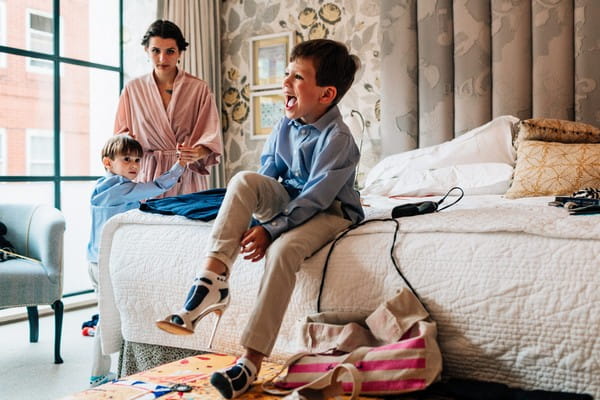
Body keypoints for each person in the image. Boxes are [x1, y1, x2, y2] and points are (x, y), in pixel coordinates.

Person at [156, 39, 364, 399]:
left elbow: (316, 197)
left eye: (297, 77)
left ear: (327, 94)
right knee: (242, 179)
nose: (285, 82)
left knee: (284, 251)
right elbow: (268, 176)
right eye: (287, 72)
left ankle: (250, 362)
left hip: (330, 210)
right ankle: (211, 282)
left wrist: (271, 229)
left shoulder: (339, 138)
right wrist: (254, 216)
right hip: (293, 199)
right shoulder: (287, 124)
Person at [86, 134, 193, 387]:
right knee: (106, 318)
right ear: (108, 162)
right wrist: (179, 166)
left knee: (105, 313)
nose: (134, 165)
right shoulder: (122, 188)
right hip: (106, 264)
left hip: (91, 260)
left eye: (137, 160)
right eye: (126, 159)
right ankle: (97, 374)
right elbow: (157, 187)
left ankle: (105, 369)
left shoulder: (100, 187)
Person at [114, 19, 223, 198]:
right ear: (146, 51)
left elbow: (210, 137)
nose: (162, 59)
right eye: (156, 51)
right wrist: (128, 140)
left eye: (170, 51)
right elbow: (120, 138)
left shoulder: (199, 88)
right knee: (150, 224)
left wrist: (196, 153)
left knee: (188, 224)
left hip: (186, 173)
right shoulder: (132, 89)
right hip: (149, 176)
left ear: (180, 52)